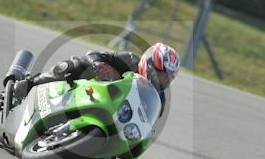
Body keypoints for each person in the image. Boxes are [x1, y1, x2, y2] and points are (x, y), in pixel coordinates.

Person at [13, 42, 180, 115]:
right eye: (160, 74)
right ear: (148, 63)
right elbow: (94, 55)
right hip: (91, 88)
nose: (162, 81)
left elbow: (147, 130)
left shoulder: (158, 100)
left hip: (111, 112)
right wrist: (98, 65)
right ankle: (28, 85)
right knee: (75, 65)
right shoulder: (129, 60)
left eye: (167, 79)